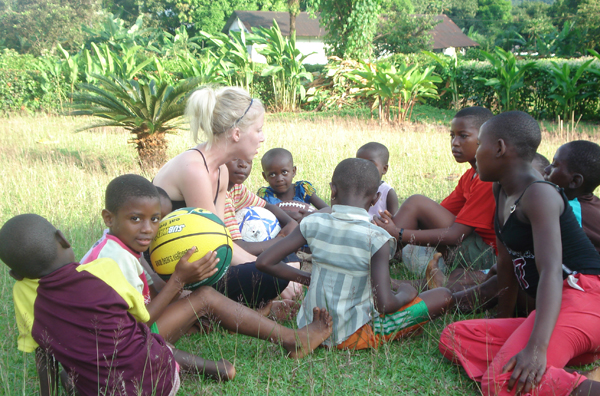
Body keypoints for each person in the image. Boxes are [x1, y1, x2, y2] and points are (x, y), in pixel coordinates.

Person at [83, 175, 332, 361]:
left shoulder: (114, 246)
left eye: (155, 219)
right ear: (108, 217)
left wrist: (183, 290)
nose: (148, 228)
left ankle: (255, 314)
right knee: (205, 298)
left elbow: (146, 300)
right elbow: (140, 323)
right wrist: (179, 281)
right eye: (135, 219)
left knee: (197, 305)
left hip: (118, 337)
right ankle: (293, 339)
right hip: (121, 348)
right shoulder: (114, 260)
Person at [438, 111, 600, 396]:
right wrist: (503, 318)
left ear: (499, 148)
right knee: (456, 337)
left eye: (481, 145)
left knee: (499, 383)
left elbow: (551, 270)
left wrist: (535, 349)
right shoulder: (500, 188)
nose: (475, 155)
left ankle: (579, 381)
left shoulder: (539, 194)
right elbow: (506, 265)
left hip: (584, 295)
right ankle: (570, 362)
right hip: (557, 305)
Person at [1, 213, 232, 396]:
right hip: (160, 383)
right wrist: (179, 280)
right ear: (63, 239)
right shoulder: (104, 270)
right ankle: (218, 368)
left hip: (101, 390)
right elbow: (143, 319)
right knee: (150, 341)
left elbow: (44, 354)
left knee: (67, 376)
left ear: (14, 275)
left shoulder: (22, 294)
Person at [257, 158, 455, 350]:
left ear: (332, 190)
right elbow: (385, 304)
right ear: (376, 198)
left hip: (308, 325)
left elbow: (265, 262)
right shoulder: (377, 237)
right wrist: (405, 293)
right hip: (354, 335)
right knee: (443, 296)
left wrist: (310, 279)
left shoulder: (312, 223)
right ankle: (407, 324)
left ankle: (409, 326)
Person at [152, 87, 288, 306]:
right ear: (236, 134)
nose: (262, 138)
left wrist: (269, 265)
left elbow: (224, 237)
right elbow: (214, 243)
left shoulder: (221, 171)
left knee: (283, 264)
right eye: (258, 130)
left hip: (202, 262)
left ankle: (264, 299)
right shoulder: (195, 170)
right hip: (170, 276)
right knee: (275, 276)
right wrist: (268, 269)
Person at [374, 106, 496, 288]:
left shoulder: (488, 179)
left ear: (486, 138)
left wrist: (398, 233)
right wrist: (398, 224)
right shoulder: (470, 175)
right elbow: (435, 215)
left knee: (416, 202)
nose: (455, 143)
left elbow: (455, 235)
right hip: (472, 248)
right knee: (416, 206)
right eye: (452, 136)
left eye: (463, 136)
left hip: (487, 256)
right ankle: (380, 254)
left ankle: (376, 255)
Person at [544, 140, 600, 254]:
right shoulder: (595, 204)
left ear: (574, 181)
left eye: (554, 165)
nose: (546, 169)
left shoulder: (568, 212)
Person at [257, 148, 329, 221]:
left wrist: (311, 215)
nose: (279, 179)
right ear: (265, 176)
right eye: (272, 174)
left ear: (293, 171)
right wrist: (288, 215)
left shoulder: (302, 189)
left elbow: (329, 210)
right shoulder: (265, 195)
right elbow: (260, 214)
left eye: (284, 172)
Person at [356, 142, 399, 219]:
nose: (364, 168)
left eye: (371, 164)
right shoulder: (353, 188)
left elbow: (395, 221)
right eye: (359, 164)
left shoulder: (387, 192)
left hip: (378, 229)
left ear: (384, 169)